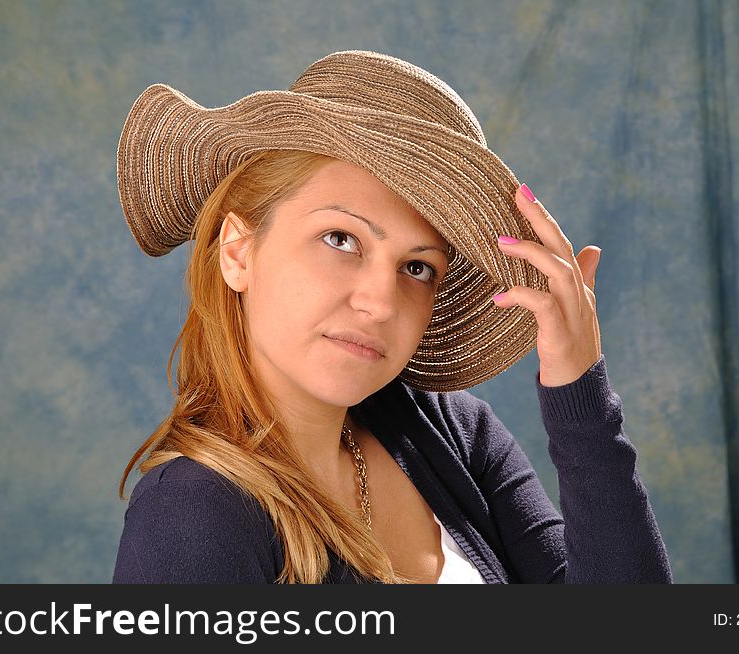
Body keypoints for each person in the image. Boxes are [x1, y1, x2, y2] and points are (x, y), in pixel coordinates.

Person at [112, 50, 672, 584]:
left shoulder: (455, 435)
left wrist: (579, 390)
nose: (380, 303)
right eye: (341, 238)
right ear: (238, 250)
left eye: (418, 267)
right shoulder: (191, 515)